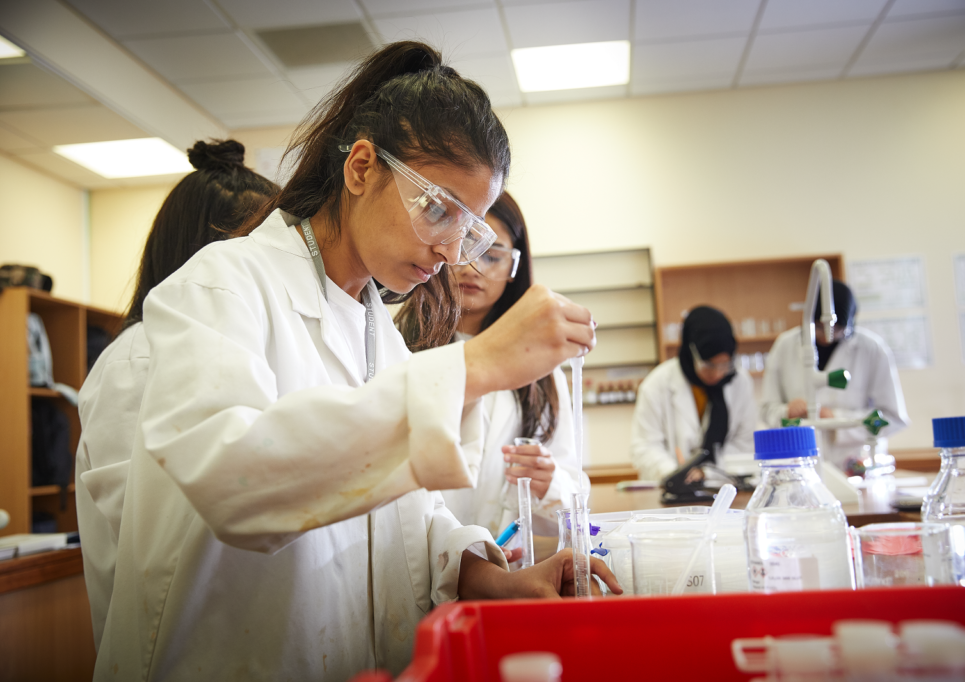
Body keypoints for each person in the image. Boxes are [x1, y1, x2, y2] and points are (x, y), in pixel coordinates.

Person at [95, 42, 617, 681]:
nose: (452, 253)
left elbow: (402, 513)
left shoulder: (379, 333)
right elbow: (234, 481)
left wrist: (491, 578)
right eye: (438, 209)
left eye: (472, 230)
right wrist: (474, 367)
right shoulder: (221, 286)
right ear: (362, 167)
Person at [75, 139, 279, 651]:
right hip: (169, 645)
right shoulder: (138, 358)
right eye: (254, 249)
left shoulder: (236, 345)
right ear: (200, 255)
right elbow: (153, 531)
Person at [400, 192, 587, 551]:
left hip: (509, 561)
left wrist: (548, 482)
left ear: (514, 267)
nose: (473, 267)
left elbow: (569, 504)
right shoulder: (397, 343)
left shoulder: (543, 368)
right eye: (464, 244)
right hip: (415, 562)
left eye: (492, 254)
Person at [759, 280, 909, 469]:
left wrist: (836, 419)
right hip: (801, 464)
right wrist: (787, 412)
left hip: (856, 464)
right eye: (819, 327)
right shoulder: (785, 345)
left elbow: (892, 418)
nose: (827, 335)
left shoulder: (872, 349)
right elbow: (766, 411)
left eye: (837, 329)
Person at [631, 306, 757, 481]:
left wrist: (707, 471)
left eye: (724, 365)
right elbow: (645, 446)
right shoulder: (656, 385)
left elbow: (744, 443)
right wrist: (675, 473)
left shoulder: (739, 382)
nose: (717, 373)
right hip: (670, 489)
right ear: (691, 352)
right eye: (709, 365)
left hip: (721, 486)